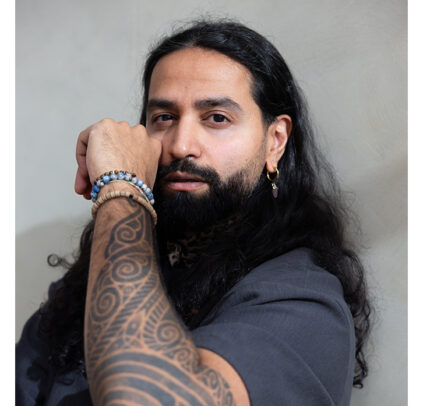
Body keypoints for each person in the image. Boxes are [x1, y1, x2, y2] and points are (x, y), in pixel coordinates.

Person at [16, 20, 372, 406]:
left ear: (275, 141)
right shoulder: (98, 277)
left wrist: (121, 187)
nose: (181, 145)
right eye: (164, 118)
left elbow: (140, 398)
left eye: (217, 118)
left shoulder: (301, 302)